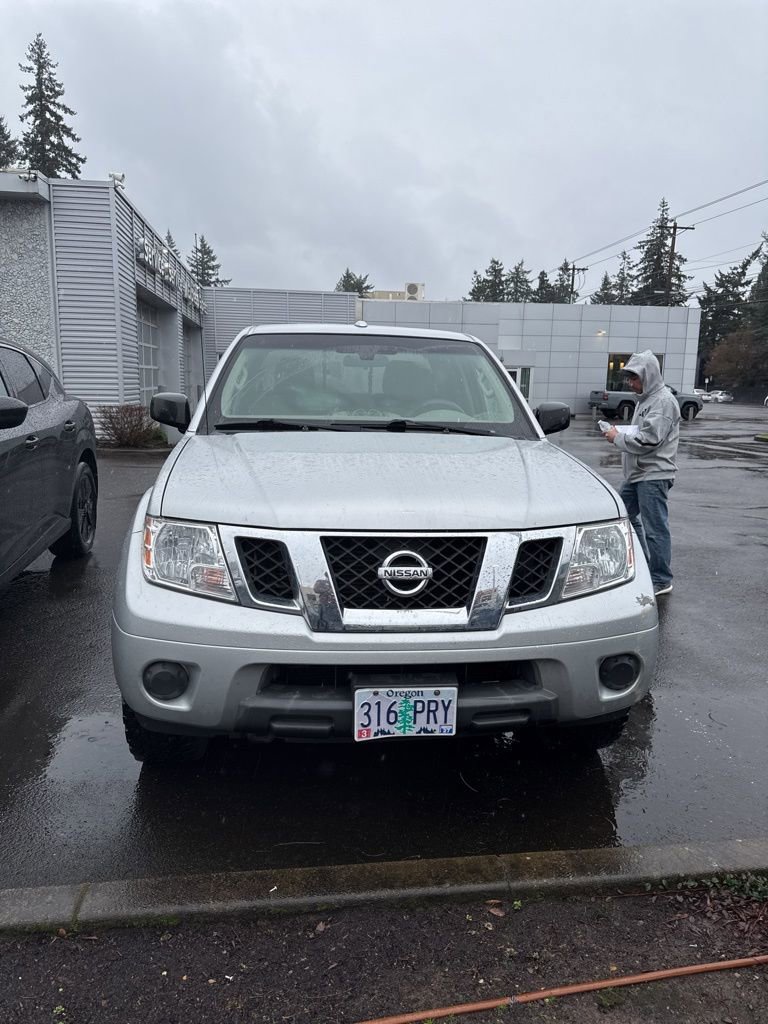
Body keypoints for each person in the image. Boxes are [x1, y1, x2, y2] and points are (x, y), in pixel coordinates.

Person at [603, 351, 680, 597]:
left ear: (649, 376)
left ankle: (661, 579)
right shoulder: (645, 399)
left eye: (634, 378)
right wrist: (620, 434)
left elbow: (649, 440)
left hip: (654, 475)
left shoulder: (663, 401)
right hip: (639, 474)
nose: (630, 383)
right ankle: (645, 567)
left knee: (655, 528)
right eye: (629, 378)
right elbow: (641, 431)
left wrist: (618, 438)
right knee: (622, 517)